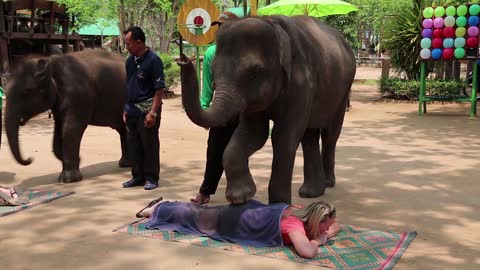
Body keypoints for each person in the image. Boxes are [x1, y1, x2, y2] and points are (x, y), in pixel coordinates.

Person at [137, 198, 340, 259]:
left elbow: (336, 225)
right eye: (325, 226)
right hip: (238, 219)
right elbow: (307, 252)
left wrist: (329, 232)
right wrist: (318, 241)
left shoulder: (302, 217)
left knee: (200, 212)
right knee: (198, 217)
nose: (327, 230)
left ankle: (167, 205)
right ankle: (156, 208)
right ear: (316, 220)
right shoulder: (295, 225)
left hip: (250, 212)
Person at [191, 11, 240, 204]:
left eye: (224, 27)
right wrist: (204, 109)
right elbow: (207, 84)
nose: (220, 31)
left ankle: (237, 190)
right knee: (214, 153)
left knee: (238, 152)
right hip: (221, 110)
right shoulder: (212, 53)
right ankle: (205, 192)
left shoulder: (246, 53)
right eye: (218, 27)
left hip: (243, 112)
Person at [122, 26, 166, 190]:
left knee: (149, 144)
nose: (127, 47)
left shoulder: (154, 61)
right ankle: (137, 176)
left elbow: (159, 89)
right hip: (132, 110)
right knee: (133, 145)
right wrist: (125, 109)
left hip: (147, 110)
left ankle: (152, 178)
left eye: (129, 44)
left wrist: (153, 113)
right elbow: (128, 87)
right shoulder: (129, 62)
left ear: (139, 43)